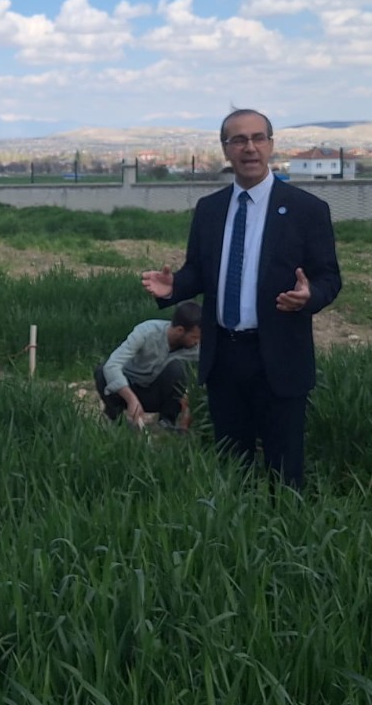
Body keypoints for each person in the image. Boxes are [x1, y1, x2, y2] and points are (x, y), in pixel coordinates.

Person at [142, 109, 342, 489]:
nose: (249, 148)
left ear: (270, 145)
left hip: (280, 356)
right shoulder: (210, 210)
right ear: (226, 149)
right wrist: (175, 287)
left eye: (257, 138)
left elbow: (329, 277)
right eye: (238, 140)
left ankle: (289, 535)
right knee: (233, 468)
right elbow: (200, 272)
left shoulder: (307, 210)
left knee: (285, 470)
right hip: (224, 358)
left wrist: (309, 295)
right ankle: (239, 539)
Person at [95, 302, 202, 430]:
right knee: (102, 371)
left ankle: (167, 421)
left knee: (176, 369)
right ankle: (116, 419)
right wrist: (130, 399)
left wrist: (191, 404)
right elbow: (112, 365)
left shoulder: (195, 348)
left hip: (156, 393)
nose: (197, 342)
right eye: (194, 337)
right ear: (180, 330)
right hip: (128, 387)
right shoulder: (147, 332)